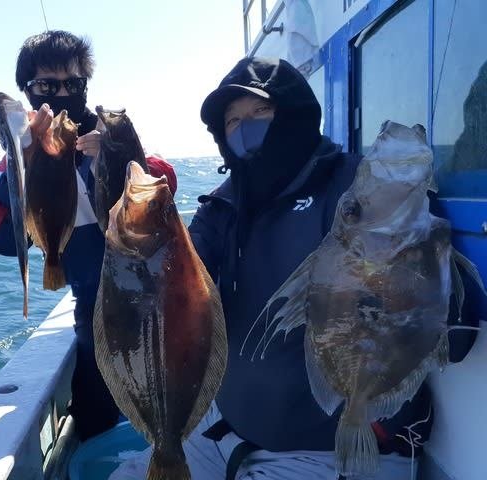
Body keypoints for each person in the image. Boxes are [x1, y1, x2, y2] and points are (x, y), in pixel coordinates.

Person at [110, 57, 477, 479]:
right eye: (233, 121)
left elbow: (453, 332)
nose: (246, 126)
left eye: (261, 112)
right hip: (220, 431)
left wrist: (414, 265)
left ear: (295, 111)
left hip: (336, 450)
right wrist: (129, 206)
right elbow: (163, 286)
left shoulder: (356, 187)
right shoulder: (221, 206)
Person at [0, 30, 177, 441]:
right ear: (27, 90)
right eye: (48, 85)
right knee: (96, 410)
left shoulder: (108, 134)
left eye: (74, 84)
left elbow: (165, 183)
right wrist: (18, 162)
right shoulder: (22, 155)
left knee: (168, 398)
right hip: (92, 307)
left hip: (154, 298)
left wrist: (122, 152)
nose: (63, 93)